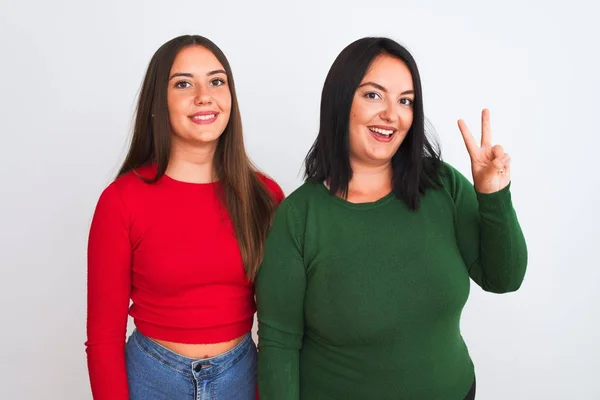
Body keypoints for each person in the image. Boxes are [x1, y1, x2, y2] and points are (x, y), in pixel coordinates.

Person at [255, 36, 527, 400]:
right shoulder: (299, 217)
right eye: (373, 95)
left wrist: (493, 195)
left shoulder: (441, 185)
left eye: (405, 101)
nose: (391, 114)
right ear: (340, 101)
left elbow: (504, 277)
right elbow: (279, 345)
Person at [85, 35, 284, 400]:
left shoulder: (265, 197)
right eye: (183, 83)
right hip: (150, 380)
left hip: (241, 378)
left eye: (216, 81)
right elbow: (103, 338)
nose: (203, 95)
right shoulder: (121, 201)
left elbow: (280, 329)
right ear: (158, 103)